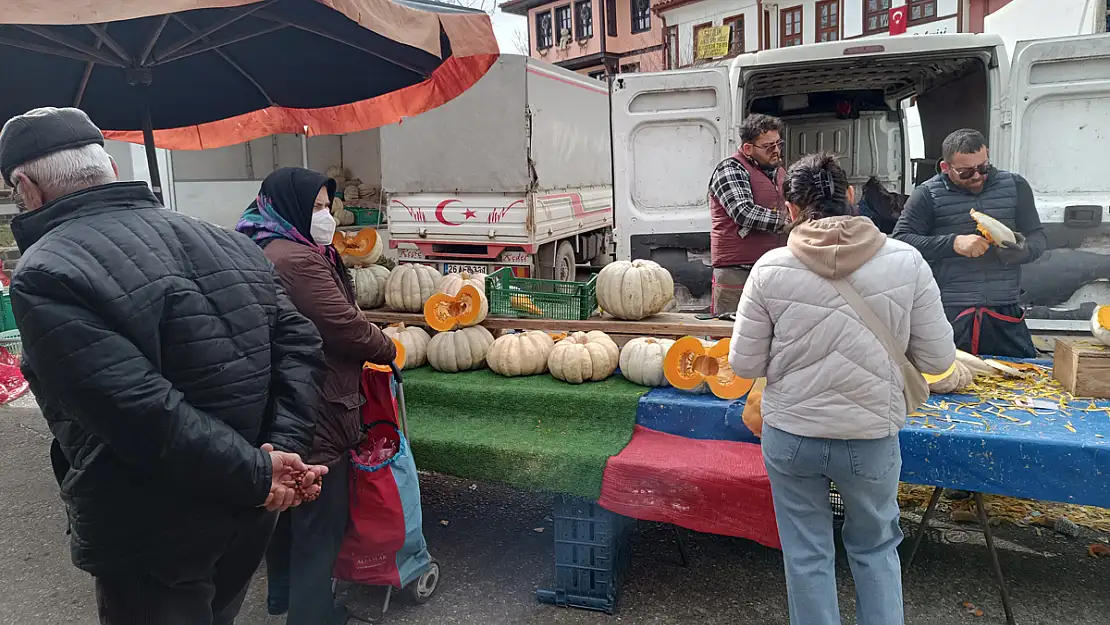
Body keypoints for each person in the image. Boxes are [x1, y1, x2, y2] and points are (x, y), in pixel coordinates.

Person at [0, 107, 330, 625]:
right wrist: (279, 452)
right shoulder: (229, 241)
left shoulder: (46, 271)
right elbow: (301, 345)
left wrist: (261, 472)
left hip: (150, 527)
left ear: (26, 187)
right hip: (248, 510)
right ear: (108, 165)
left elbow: (137, 411)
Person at [729, 152, 955, 625]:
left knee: (807, 555)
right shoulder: (906, 262)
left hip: (791, 435)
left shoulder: (770, 268)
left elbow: (745, 363)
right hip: (870, 436)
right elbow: (937, 360)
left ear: (791, 210)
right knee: (875, 550)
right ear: (850, 198)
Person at [237, 167, 397, 624]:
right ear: (290, 207)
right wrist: (386, 347)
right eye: (318, 208)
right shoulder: (297, 260)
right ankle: (313, 615)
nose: (327, 217)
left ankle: (283, 597)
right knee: (317, 513)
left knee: (282, 508)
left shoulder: (257, 240)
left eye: (329, 207)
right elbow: (342, 325)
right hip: (316, 401)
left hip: (275, 396)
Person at [893, 128, 1046, 358]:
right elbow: (900, 241)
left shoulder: (1015, 185)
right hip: (951, 313)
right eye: (966, 172)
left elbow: (1038, 237)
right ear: (946, 167)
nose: (977, 176)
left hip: (1004, 309)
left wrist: (1023, 251)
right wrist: (952, 244)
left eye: (983, 167)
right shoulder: (927, 194)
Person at [707, 113, 789, 315]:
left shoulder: (780, 173)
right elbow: (743, 212)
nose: (776, 151)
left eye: (779, 144)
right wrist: (789, 222)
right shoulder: (730, 169)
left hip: (773, 269)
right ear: (747, 149)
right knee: (729, 338)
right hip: (737, 272)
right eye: (769, 147)